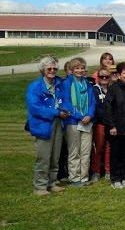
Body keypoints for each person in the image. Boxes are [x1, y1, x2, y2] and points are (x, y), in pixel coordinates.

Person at [26, 55, 68, 195]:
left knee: (55, 156)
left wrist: (65, 110)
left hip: (59, 122)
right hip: (43, 124)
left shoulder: (59, 84)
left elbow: (64, 101)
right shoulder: (35, 86)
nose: (52, 70)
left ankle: (52, 183)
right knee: (43, 157)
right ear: (43, 70)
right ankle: (40, 187)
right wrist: (55, 112)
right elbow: (35, 107)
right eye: (49, 68)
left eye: (54, 68)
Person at [61, 57, 96, 187]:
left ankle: (84, 177)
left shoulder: (87, 83)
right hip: (72, 122)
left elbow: (92, 102)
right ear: (71, 69)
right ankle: (74, 177)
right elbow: (66, 103)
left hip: (87, 122)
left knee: (86, 151)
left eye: (82, 68)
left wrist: (89, 115)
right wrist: (78, 116)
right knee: (74, 151)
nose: (80, 70)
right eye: (77, 68)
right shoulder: (66, 83)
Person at [90, 68, 111, 182]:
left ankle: (108, 171)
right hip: (100, 124)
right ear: (97, 77)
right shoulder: (94, 90)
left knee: (109, 148)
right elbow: (96, 107)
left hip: (111, 124)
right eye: (101, 76)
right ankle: (96, 171)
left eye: (106, 76)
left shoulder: (111, 89)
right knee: (98, 148)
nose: (104, 79)